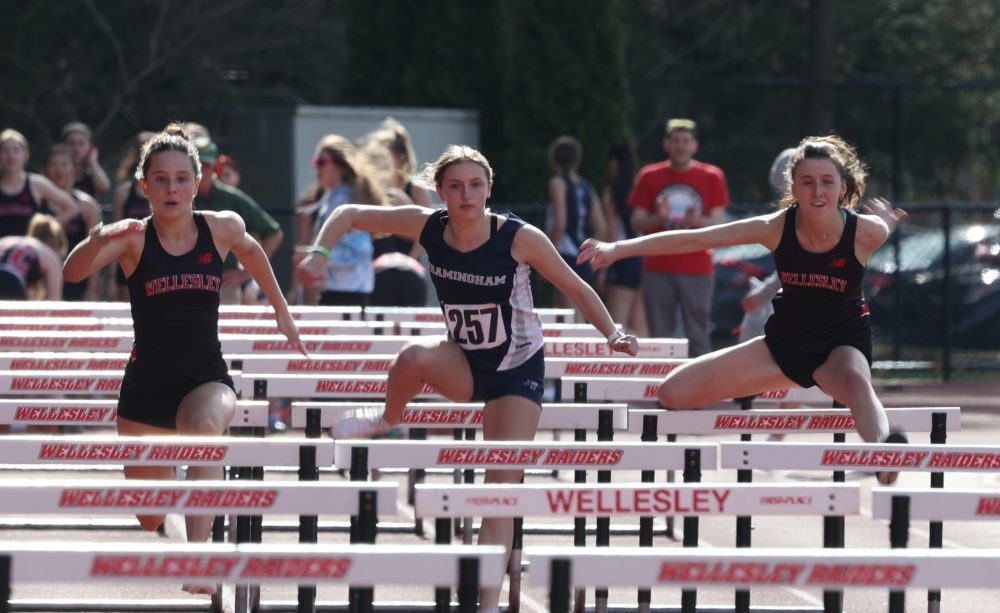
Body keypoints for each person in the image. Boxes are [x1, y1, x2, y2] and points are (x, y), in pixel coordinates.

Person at [297, 145, 638, 612]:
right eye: (455, 187)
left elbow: (576, 287)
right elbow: (348, 212)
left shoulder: (518, 237)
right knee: (412, 357)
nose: (466, 195)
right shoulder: (427, 225)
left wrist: (613, 332)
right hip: (464, 361)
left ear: (489, 189)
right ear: (440, 193)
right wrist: (319, 254)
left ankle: (485, 603)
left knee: (499, 488)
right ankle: (389, 417)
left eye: (475, 186)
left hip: (517, 369)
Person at [579, 135, 908, 485]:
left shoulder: (865, 232)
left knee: (857, 381)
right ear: (794, 188)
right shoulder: (775, 227)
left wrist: (886, 220)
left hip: (840, 349)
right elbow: (695, 239)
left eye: (827, 182)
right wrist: (617, 248)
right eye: (808, 183)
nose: (818, 192)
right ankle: (788, 388)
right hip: (783, 347)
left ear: (842, 188)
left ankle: (884, 454)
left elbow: (884, 227)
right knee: (671, 393)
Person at [62, 123, 306, 596]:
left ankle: (201, 560)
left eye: (181, 178)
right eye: (161, 179)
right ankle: (175, 476)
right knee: (151, 513)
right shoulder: (133, 238)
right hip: (145, 391)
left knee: (203, 434)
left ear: (197, 182)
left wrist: (282, 311)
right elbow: (73, 272)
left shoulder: (221, 228)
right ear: (145, 185)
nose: (171, 188)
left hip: (206, 380)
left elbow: (254, 253)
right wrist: (99, 235)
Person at [628, 118, 729, 355]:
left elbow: (719, 223)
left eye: (685, 141)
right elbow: (636, 222)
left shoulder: (712, 176)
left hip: (697, 266)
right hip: (657, 265)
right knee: (660, 337)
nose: (680, 146)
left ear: (695, 145)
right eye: (675, 141)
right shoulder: (649, 176)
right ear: (666, 145)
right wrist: (658, 218)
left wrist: (697, 222)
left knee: (698, 333)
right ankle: (661, 388)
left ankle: (701, 390)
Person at [291, 134, 384, 306]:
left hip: (350, 291)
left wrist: (316, 256)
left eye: (321, 162)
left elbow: (359, 250)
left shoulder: (348, 199)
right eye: (315, 162)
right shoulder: (332, 197)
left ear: (340, 165)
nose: (316, 167)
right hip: (335, 289)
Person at [193, 136, 284, 304]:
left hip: (224, 284)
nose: (198, 171)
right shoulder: (180, 197)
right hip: (188, 283)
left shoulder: (231, 198)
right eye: (193, 165)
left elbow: (274, 233)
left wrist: (245, 273)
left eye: (204, 165)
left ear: (215, 167)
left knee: (225, 329)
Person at [544, 135, 607, 313]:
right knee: (571, 313)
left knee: (569, 316)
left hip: (564, 253)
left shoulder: (557, 183)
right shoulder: (586, 186)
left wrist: (545, 254)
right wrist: (593, 255)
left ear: (553, 158)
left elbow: (560, 222)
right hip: (581, 254)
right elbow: (601, 226)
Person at [42, 144, 102, 300]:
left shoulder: (88, 206)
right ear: (45, 170)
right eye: (53, 165)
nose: (58, 170)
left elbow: (95, 250)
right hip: (43, 279)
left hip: (77, 279)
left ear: (74, 170)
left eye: (64, 164)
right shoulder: (38, 202)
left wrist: (93, 289)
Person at [601, 140, 648, 335]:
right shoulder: (641, 188)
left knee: (617, 323)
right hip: (644, 255)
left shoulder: (612, 191)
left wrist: (603, 269)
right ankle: (648, 364)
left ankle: (623, 365)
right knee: (639, 324)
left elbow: (610, 232)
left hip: (622, 258)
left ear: (614, 163)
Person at [1, 129, 78, 239]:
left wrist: (44, 230)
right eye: (5, 150)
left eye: (16, 150)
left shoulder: (36, 184)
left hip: (29, 251)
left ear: (25, 155)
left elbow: (72, 207)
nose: (11, 156)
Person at [110, 131, 155, 301]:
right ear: (136, 155)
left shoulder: (169, 191)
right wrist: (112, 279)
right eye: (142, 150)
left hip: (158, 260)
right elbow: (115, 234)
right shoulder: (123, 192)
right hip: (129, 261)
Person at [61, 121, 112, 198]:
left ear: (89, 147)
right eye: (71, 144)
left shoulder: (91, 174)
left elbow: (104, 188)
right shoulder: (56, 172)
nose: (76, 149)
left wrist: (93, 162)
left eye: (81, 144)